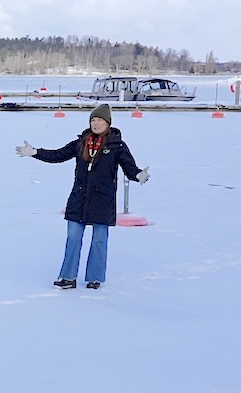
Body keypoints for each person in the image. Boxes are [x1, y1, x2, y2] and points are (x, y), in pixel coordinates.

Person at [16, 104, 149, 289]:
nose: (96, 124)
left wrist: (138, 175)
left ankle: (94, 278)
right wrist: (36, 152)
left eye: (100, 120)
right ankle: (68, 277)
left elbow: (129, 168)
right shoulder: (80, 143)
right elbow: (58, 155)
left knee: (99, 240)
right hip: (79, 198)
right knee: (73, 238)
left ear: (107, 123)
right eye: (93, 120)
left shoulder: (117, 145)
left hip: (103, 200)